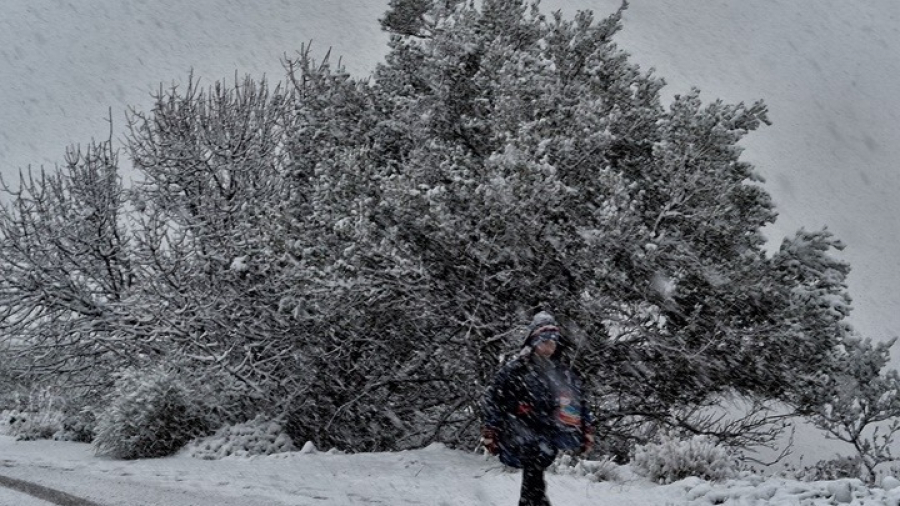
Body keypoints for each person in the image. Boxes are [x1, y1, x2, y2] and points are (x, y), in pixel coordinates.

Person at [481, 311, 594, 506]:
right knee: (533, 472)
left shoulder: (561, 372)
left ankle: (534, 502)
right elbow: (495, 398)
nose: (549, 347)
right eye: (545, 342)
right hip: (520, 430)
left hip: (549, 433)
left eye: (553, 342)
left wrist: (586, 428)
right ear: (533, 341)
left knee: (535, 472)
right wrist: (491, 428)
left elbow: (578, 401)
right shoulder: (515, 370)